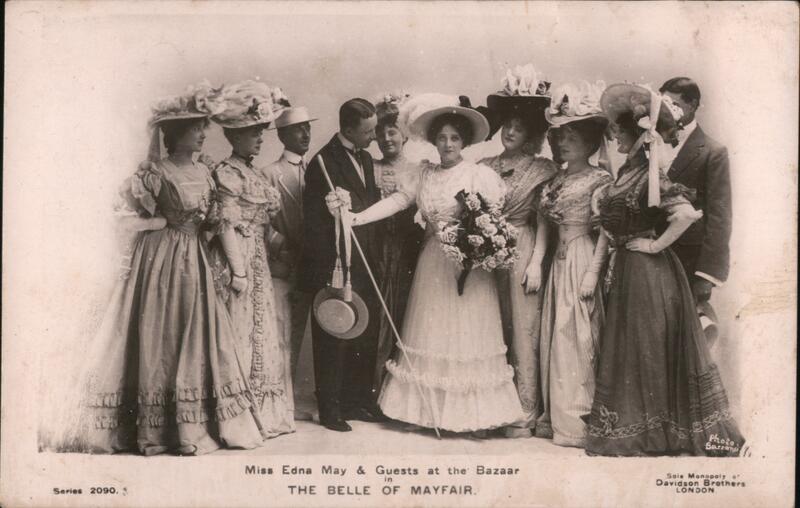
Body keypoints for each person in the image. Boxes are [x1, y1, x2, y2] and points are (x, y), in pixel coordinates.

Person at [80, 83, 267, 455]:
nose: (202, 133)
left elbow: (215, 222)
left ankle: (192, 429)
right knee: (159, 333)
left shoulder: (207, 171)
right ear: (176, 133)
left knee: (195, 333)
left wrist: (235, 262)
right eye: (195, 128)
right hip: (160, 260)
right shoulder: (154, 173)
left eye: (203, 127)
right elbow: (122, 218)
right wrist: (157, 224)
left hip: (194, 259)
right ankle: (157, 430)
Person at [342, 95, 525, 434]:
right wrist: (356, 218)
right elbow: (398, 201)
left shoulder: (478, 175)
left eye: (454, 138)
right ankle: (427, 414)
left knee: (465, 333)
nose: (447, 144)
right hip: (431, 263)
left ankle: (471, 418)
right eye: (442, 138)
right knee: (432, 330)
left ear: (464, 142)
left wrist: (474, 245)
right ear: (433, 141)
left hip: (467, 267)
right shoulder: (424, 173)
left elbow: (492, 219)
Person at [584, 83, 745, 456]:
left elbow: (687, 214)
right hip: (629, 269)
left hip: (648, 272)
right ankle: (644, 429)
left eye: (620, 132)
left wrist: (654, 245)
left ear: (638, 135)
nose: (615, 138)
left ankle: (655, 432)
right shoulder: (628, 172)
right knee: (634, 347)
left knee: (647, 347)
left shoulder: (650, 173)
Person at [476, 65, 558, 438]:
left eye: (519, 128)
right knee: (490, 327)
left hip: (523, 246)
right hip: (486, 252)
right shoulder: (484, 166)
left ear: (532, 135)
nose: (510, 132)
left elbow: (544, 221)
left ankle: (524, 410)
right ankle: (491, 407)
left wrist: (537, 263)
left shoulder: (543, 169)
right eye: (507, 125)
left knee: (524, 328)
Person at [210, 80, 295, 438]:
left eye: (261, 132)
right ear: (235, 136)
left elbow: (263, 224)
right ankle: (238, 416)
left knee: (261, 330)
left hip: (258, 257)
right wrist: (239, 271)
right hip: (238, 260)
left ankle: (264, 412)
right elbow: (227, 225)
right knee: (241, 330)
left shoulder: (253, 174)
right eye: (253, 133)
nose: (260, 138)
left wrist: (282, 246)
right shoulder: (227, 173)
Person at [534, 81, 613, 448]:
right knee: (557, 336)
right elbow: (544, 223)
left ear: (589, 142)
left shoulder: (600, 179)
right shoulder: (557, 179)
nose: (564, 143)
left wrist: (592, 273)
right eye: (561, 137)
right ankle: (559, 419)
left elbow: (606, 232)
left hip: (582, 256)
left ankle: (579, 424)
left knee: (579, 336)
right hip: (559, 263)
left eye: (572, 137)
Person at [300, 98, 384, 432]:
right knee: (334, 333)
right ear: (347, 129)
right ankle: (330, 408)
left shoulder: (365, 158)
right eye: (368, 131)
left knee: (363, 331)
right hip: (336, 263)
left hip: (366, 259)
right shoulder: (322, 162)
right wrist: (334, 266)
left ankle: (357, 401)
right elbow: (314, 224)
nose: (374, 137)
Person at [659, 77, 732, 303]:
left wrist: (706, 275)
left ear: (692, 105)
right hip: (649, 256)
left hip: (688, 258)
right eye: (663, 105)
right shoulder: (650, 143)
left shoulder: (713, 152)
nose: (667, 111)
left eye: (675, 105)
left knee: (687, 321)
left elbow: (719, 216)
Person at [262, 105, 318, 395]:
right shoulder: (269, 174)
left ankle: (291, 395)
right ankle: (276, 396)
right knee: (280, 329)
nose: (305, 134)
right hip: (284, 264)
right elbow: (260, 223)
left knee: (300, 330)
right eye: (297, 129)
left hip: (310, 265)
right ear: (282, 135)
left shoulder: (317, 170)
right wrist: (282, 247)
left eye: (307, 127)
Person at [371, 93, 425, 393]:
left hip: (407, 251)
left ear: (404, 134)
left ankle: (398, 390)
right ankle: (373, 386)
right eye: (380, 133)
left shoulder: (419, 169)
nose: (386, 138)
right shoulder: (370, 166)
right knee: (375, 315)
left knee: (405, 313)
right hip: (376, 250)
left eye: (392, 131)